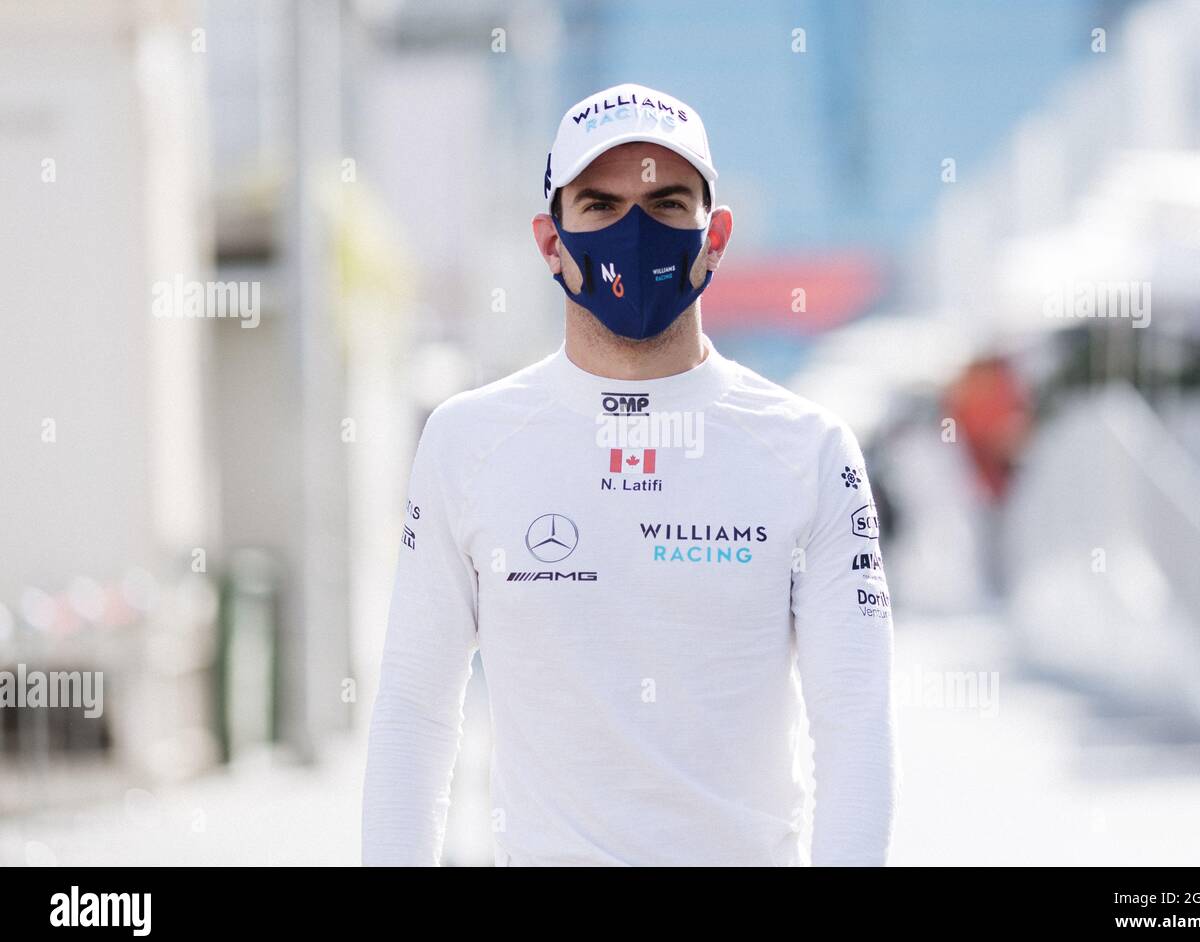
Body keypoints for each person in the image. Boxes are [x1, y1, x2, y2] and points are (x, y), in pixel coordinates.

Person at [361, 82, 897, 866]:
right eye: (603, 207)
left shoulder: (808, 449)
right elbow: (414, 710)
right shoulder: (466, 442)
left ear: (715, 234)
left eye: (668, 203)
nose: (636, 231)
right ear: (551, 241)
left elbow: (855, 722)